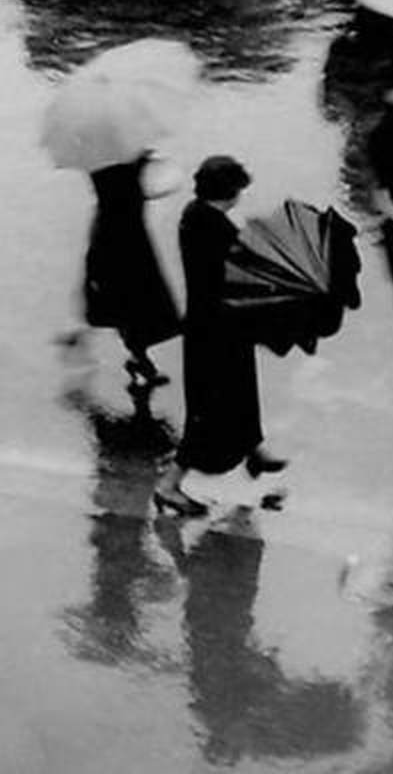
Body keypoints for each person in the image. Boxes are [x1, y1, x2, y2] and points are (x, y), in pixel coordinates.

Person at [155, 155, 287, 517]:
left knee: (238, 393)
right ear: (232, 191)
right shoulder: (215, 229)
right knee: (211, 408)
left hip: (213, 328)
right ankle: (170, 485)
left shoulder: (196, 216)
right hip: (218, 332)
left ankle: (252, 450)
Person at [83, 151, 180, 390]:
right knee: (133, 302)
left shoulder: (99, 163)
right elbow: (133, 191)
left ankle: (139, 357)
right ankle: (140, 358)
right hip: (125, 239)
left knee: (128, 304)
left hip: (121, 237)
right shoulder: (117, 167)